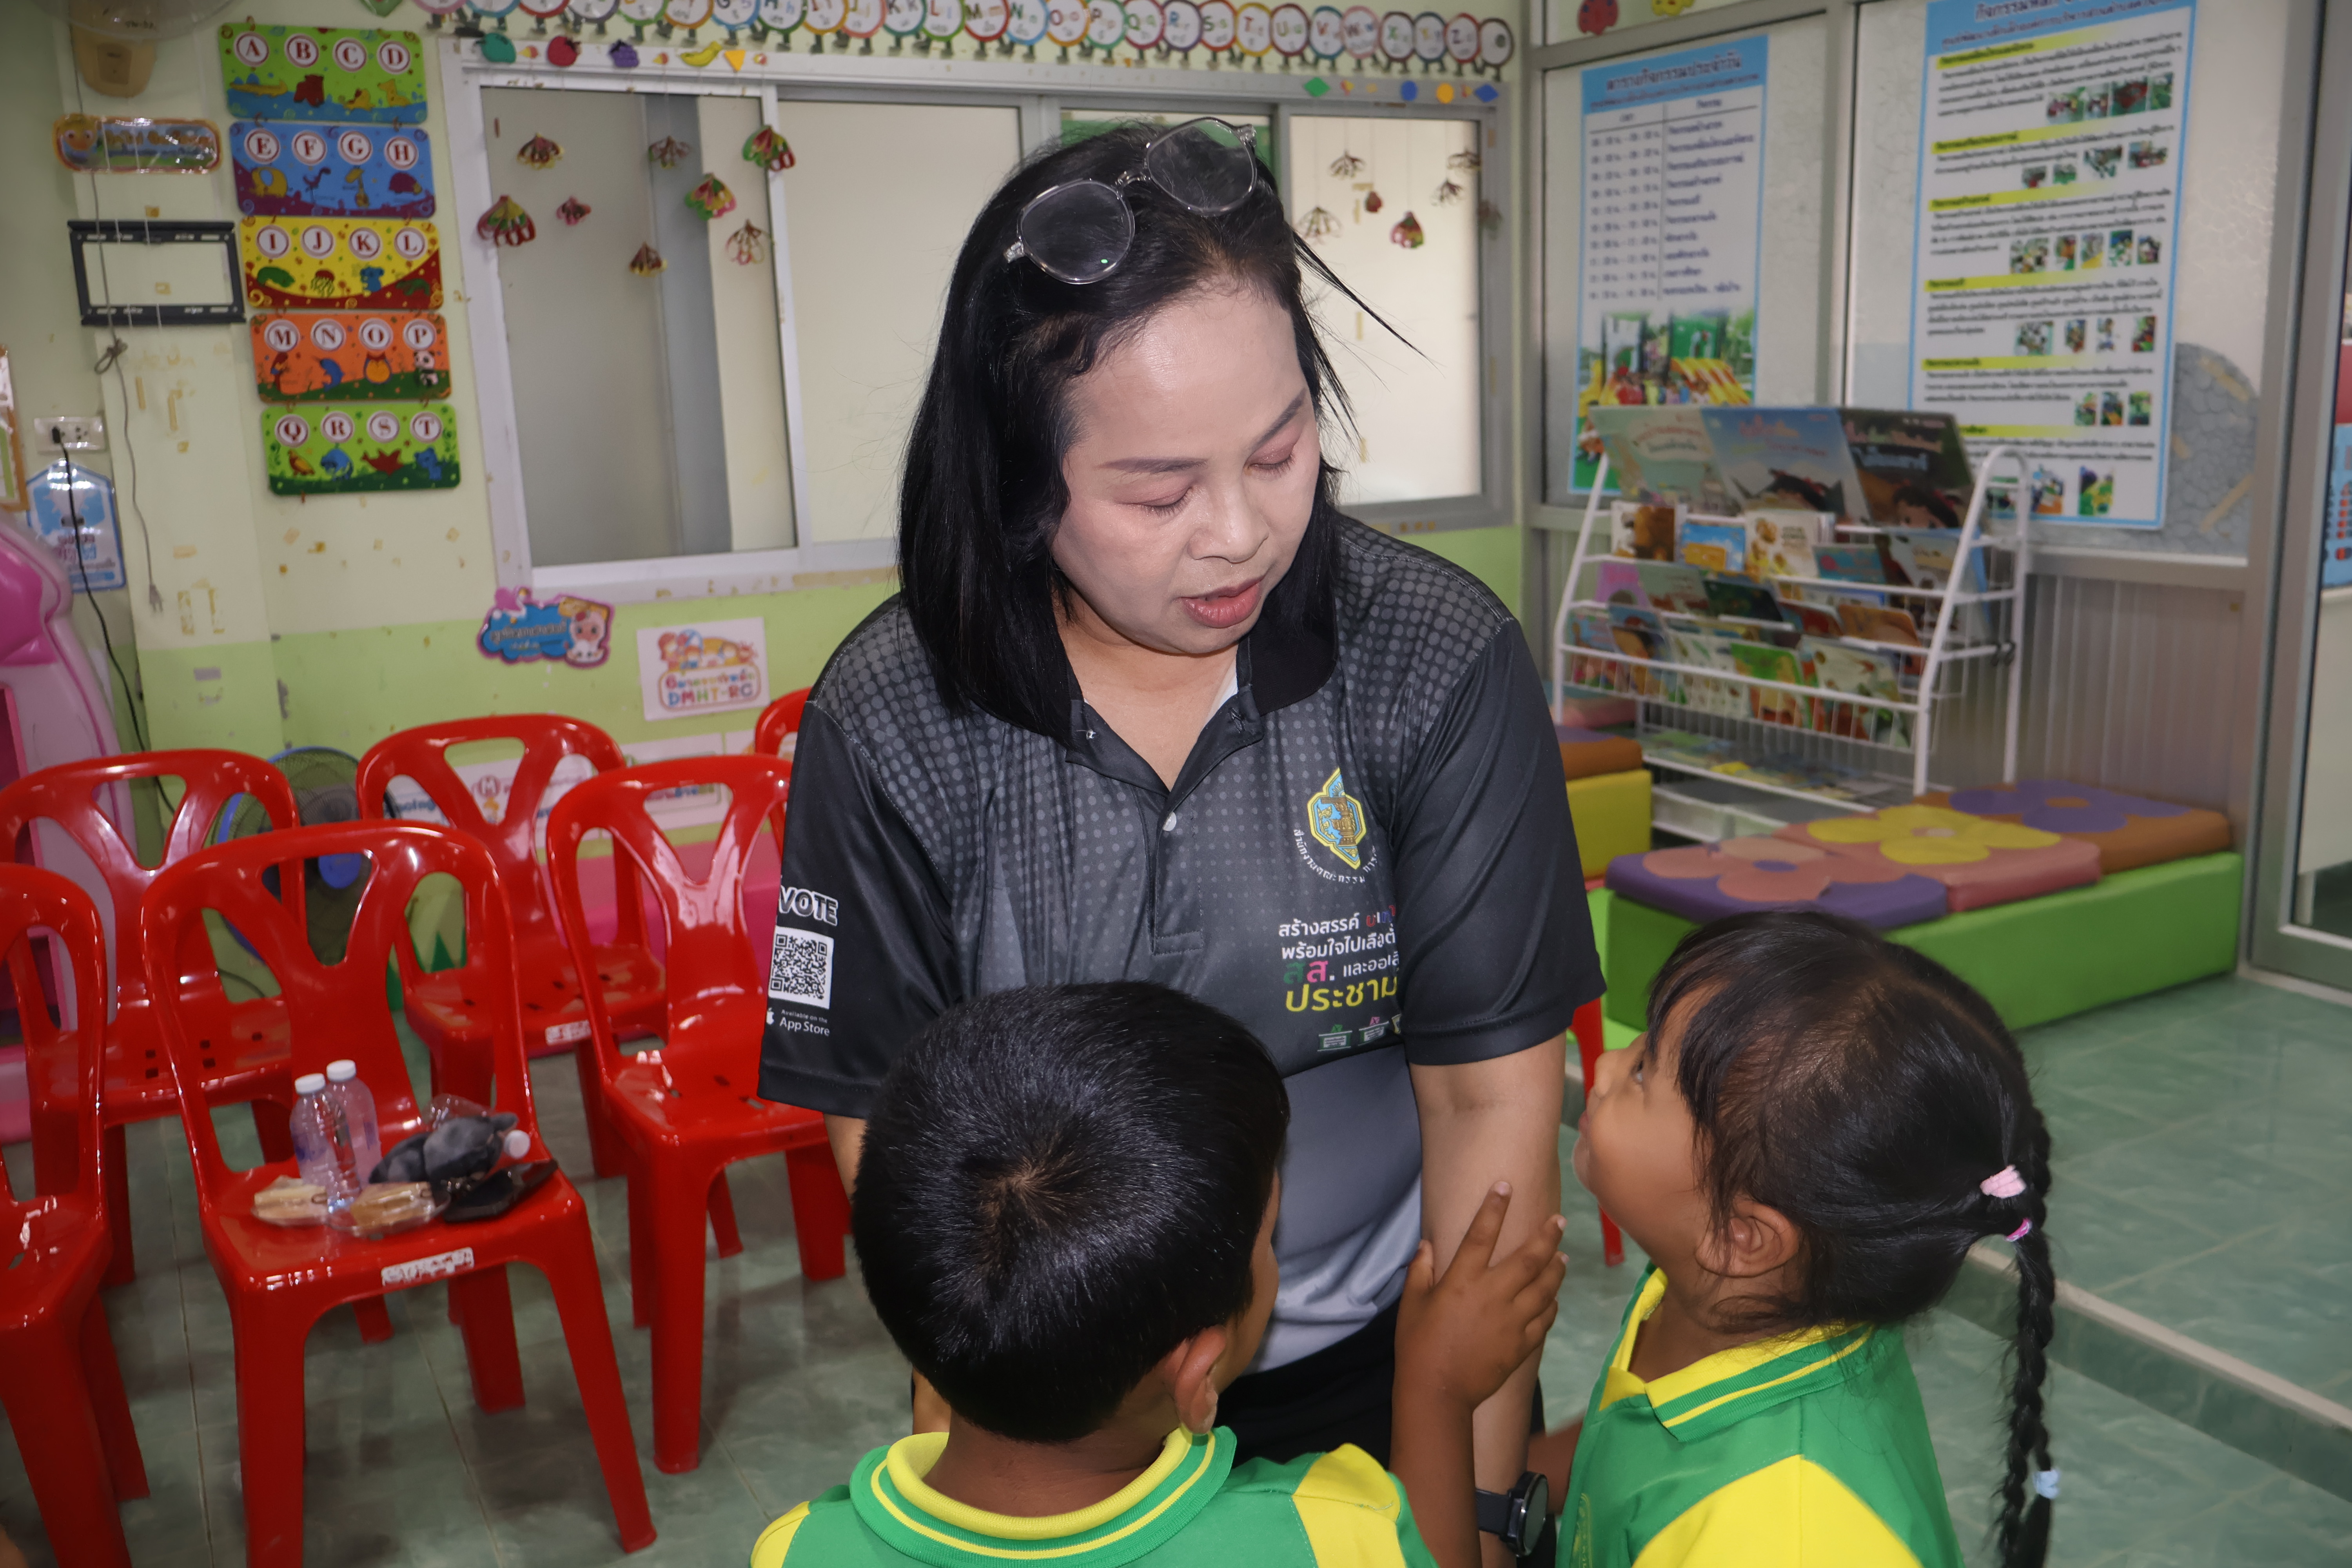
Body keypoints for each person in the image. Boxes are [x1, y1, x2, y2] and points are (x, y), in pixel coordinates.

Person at [757, 114, 1599, 1534]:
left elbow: (1489, 1102)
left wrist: (1479, 1504)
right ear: (1018, 477)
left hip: (1389, 1361)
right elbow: (899, 1142)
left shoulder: (1430, 660)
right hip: (1068, 1406)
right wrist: (995, 1467)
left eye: (1279, 452)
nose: (1239, 534)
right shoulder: (899, 714)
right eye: (1158, 490)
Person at [750, 983, 1568, 1568]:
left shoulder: (793, 1548)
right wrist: (1434, 1391)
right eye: (1269, 1237)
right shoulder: (1325, 1530)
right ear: (1197, 1374)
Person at [1550, 912, 2056, 1568]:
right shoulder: (1719, 1292)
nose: (1604, 1066)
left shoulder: (1776, 1539)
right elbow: (1633, 1433)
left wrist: (1441, 1397)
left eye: (1644, 1071)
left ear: (1741, 1236)